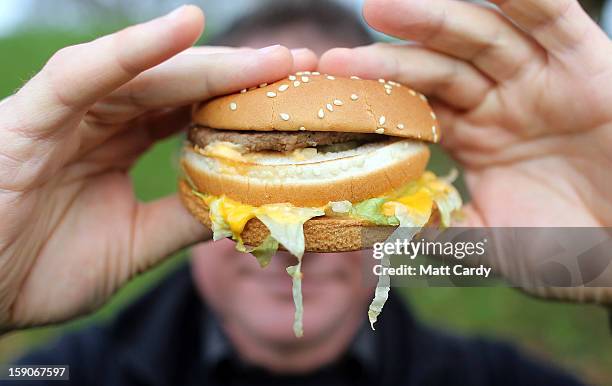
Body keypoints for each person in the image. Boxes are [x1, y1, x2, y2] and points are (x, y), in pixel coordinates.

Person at [0, 0, 610, 384]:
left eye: (334, 195)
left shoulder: (491, 377)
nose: (298, 248)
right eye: (260, 208)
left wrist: (601, 260)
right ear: (190, 169)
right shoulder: (65, 372)